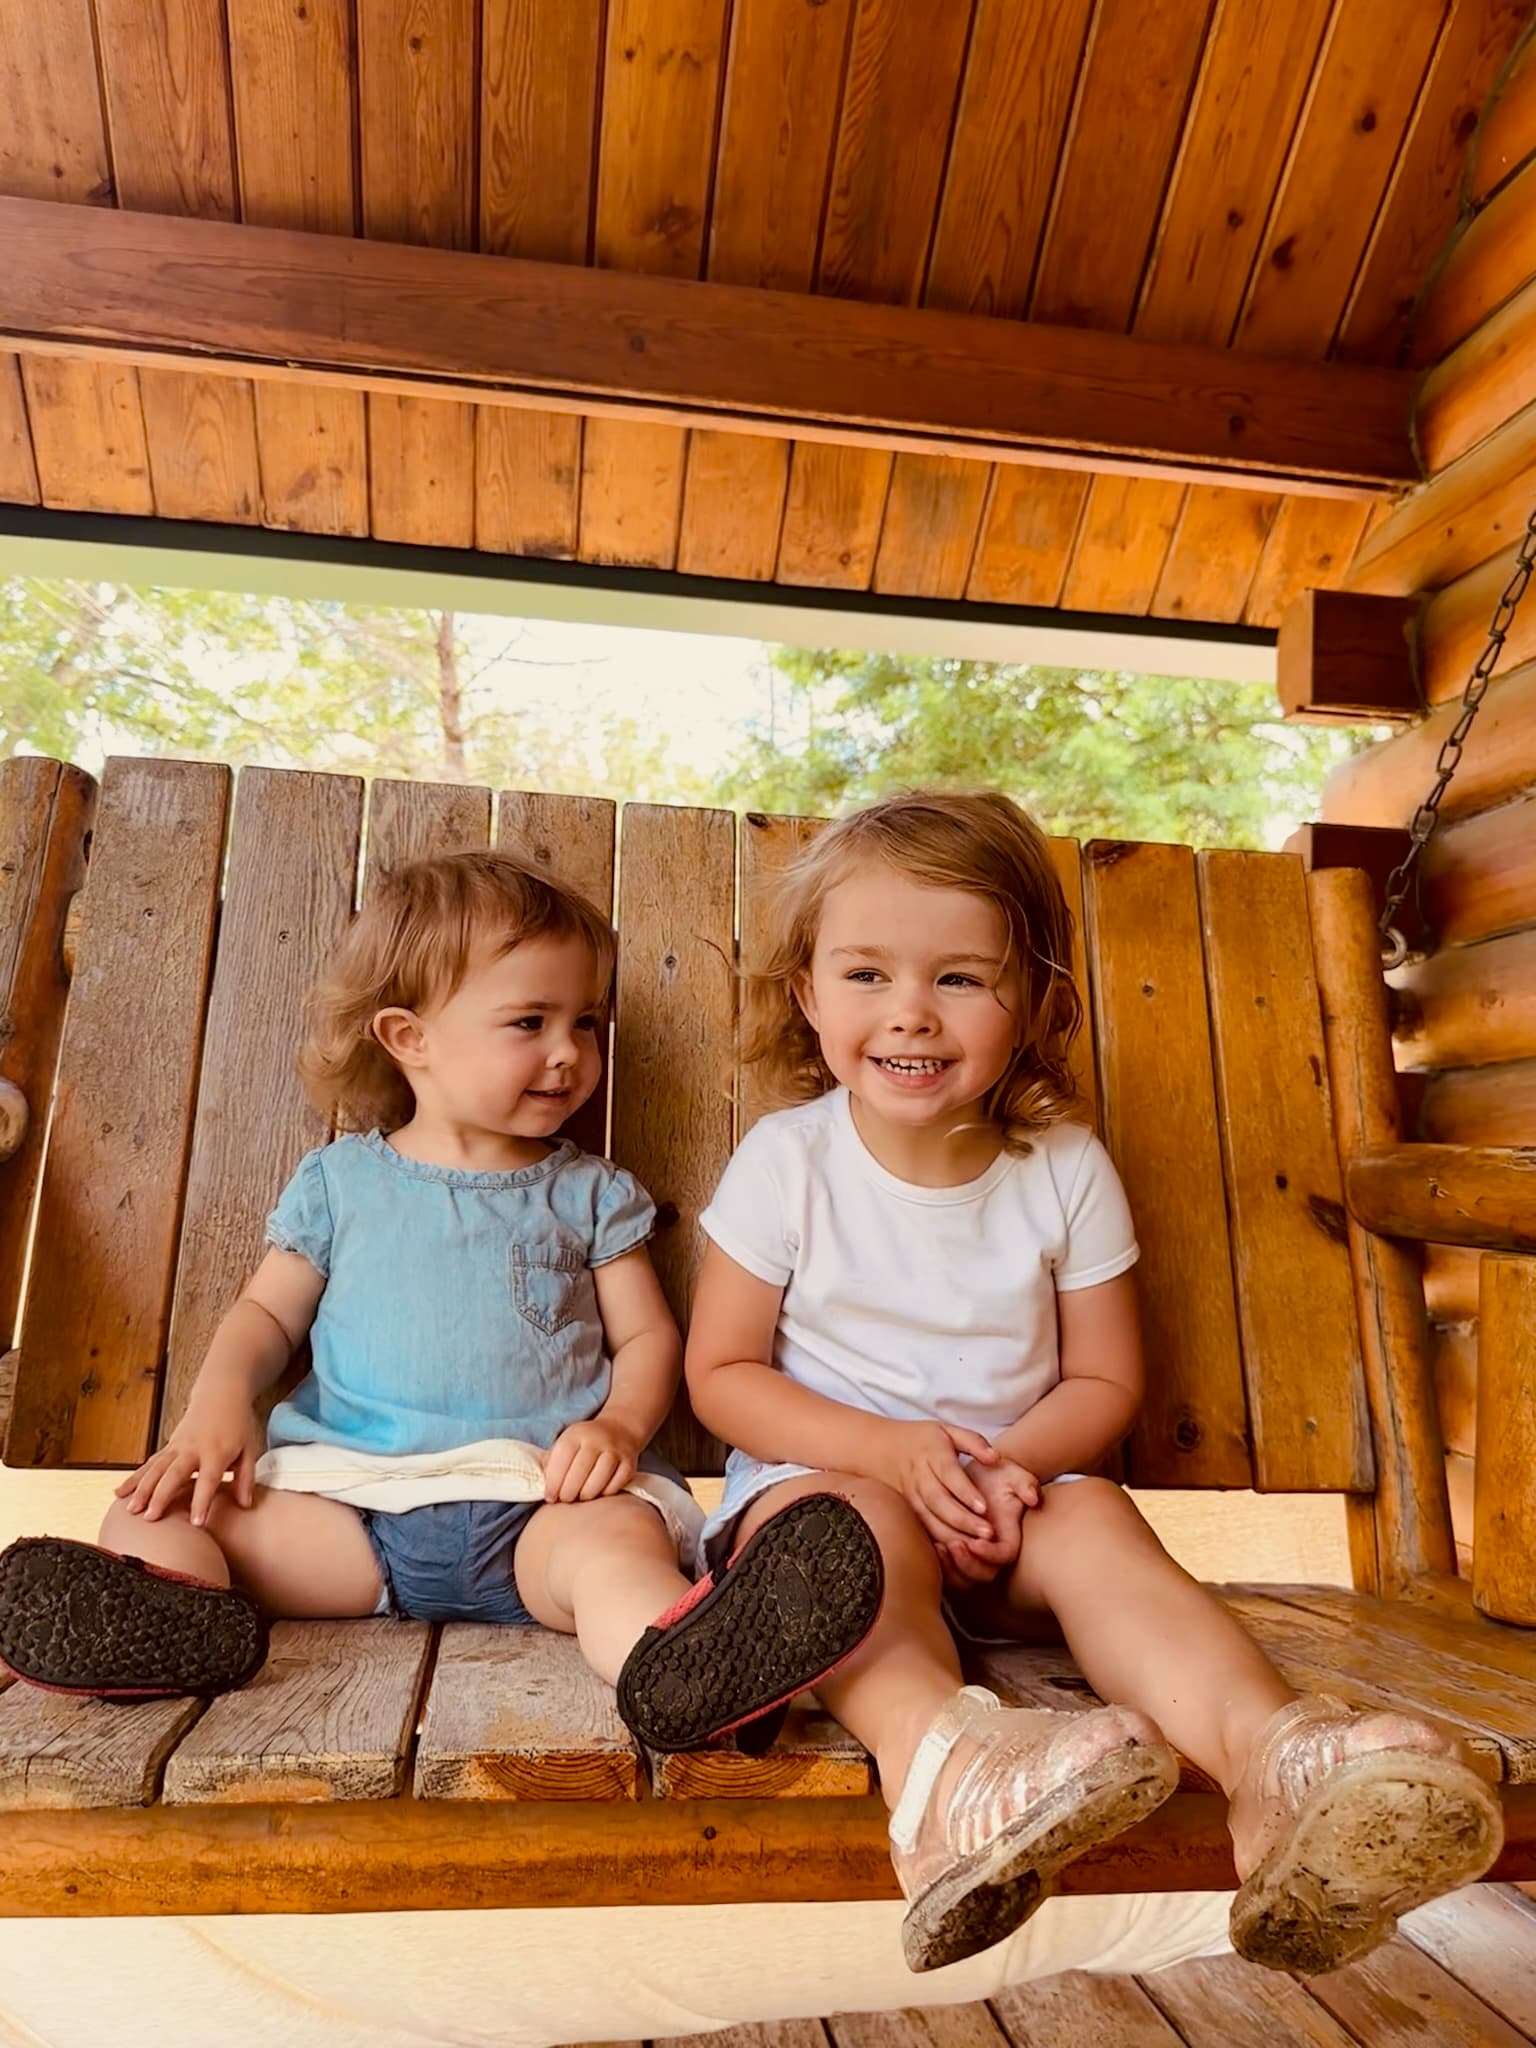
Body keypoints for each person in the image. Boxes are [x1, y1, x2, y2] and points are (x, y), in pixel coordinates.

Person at [682, 788, 1502, 1977]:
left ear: (1032, 1002)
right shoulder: (786, 1161)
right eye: (867, 975)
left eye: (960, 977)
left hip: (1007, 1512)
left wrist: (1008, 1466)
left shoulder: (1060, 1165)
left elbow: (1105, 1375)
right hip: (823, 1499)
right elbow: (723, 1373)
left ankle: (1274, 1761)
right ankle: (945, 1781)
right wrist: (894, 1452)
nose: (911, 1010)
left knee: (1096, 1512)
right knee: (839, 1540)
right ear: (808, 994)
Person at [0, 850, 882, 1752]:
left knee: (618, 1556)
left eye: (585, 1022)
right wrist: (218, 1404)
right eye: (530, 1021)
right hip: (350, 1510)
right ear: (408, 1037)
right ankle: (158, 1625)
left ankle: (695, 1664)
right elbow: (266, 1317)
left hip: (543, 1504)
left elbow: (649, 1336)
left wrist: (617, 1428)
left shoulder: (588, 1193)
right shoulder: (340, 1184)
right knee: (163, 1509)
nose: (568, 1053)